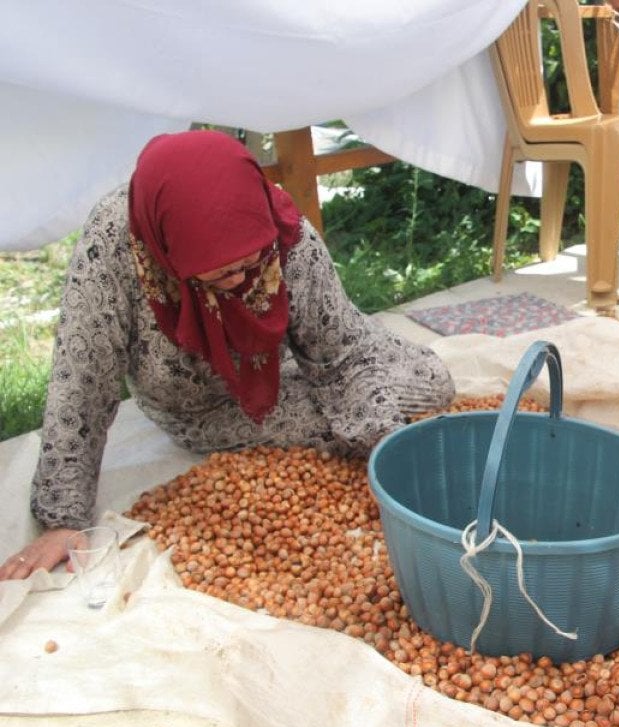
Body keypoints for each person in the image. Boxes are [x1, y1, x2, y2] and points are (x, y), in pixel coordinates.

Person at [0, 130, 455, 581]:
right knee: (328, 426)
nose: (240, 282)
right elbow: (81, 383)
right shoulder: (114, 244)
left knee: (430, 381)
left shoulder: (282, 228)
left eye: (250, 265)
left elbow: (342, 354)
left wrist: (380, 442)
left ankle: (347, 405)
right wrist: (63, 516)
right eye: (221, 272)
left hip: (284, 361)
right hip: (201, 401)